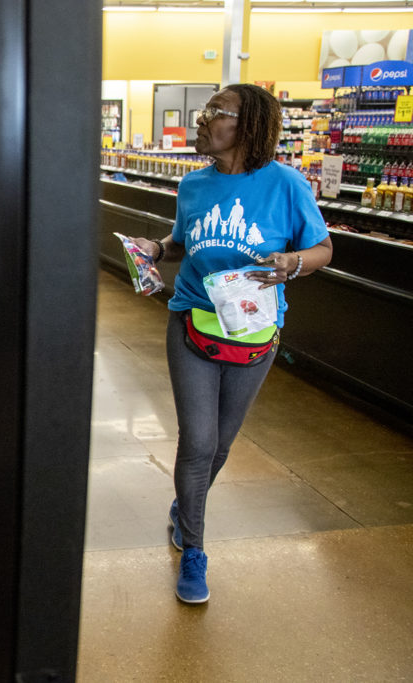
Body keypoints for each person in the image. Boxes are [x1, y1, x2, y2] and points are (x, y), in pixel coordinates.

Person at [130, 84, 333, 604]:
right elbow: (183, 241)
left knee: (219, 445)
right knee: (197, 443)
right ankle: (195, 550)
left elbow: (323, 248)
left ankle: (185, 505)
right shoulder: (194, 185)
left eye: (215, 113)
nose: (202, 121)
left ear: (247, 127)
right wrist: (157, 247)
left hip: (254, 334)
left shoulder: (286, 184)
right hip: (192, 323)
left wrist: (294, 262)